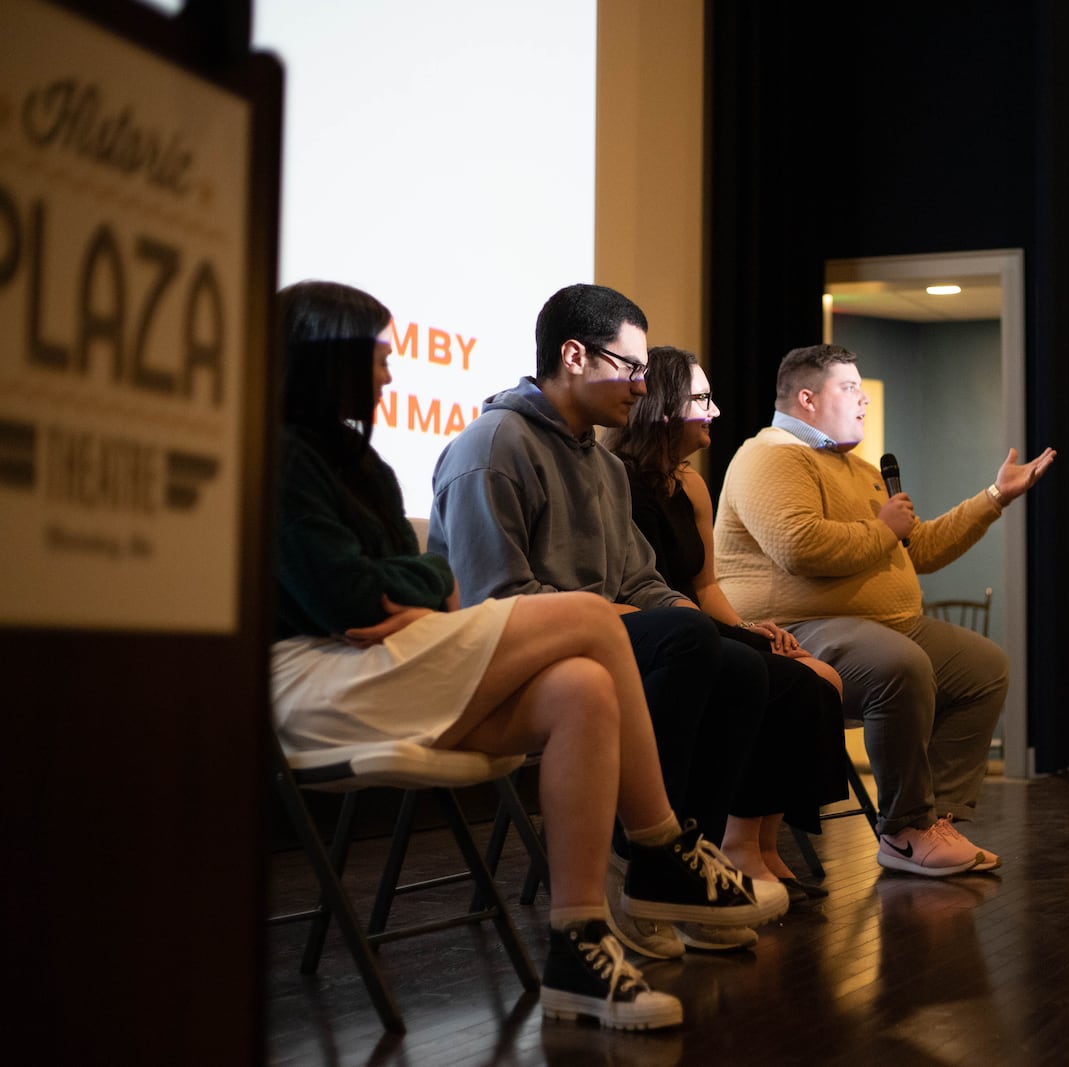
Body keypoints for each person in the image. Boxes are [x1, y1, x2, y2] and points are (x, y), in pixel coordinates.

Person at [270, 280, 769, 1032]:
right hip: (317, 676)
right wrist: (399, 589)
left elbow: (429, 576)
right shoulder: (279, 457)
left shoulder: (363, 465)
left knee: (582, 689)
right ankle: (661, 844)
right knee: (596, 625)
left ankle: (579, 941)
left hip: (391, 656)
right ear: (323, 360)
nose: (389, 375)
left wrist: (401, 587)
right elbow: (350, 596)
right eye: (375, 357)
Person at [429, 283, 786, 956]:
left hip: (593, 642)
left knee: (741, 664)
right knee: (686, 639)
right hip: (508, 656)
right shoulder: (492, 445)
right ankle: (635, 856)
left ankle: (681, 862)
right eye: (630, 366)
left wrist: (691, 616)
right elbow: (492, 599)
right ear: (573, 356)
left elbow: (640, 580)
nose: (641, 385)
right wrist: (661, 623)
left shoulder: (602, 466)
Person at [714, 344, 1057, 877]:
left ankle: (932, 823)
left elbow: (916, 548)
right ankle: (903, 830)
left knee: (983, 668)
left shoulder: (859, 468)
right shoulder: (771, 455)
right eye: (849, 389)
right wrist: (882, 529)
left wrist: (994, 497)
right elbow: (798, 547)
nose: (863, 402)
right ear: (806, 398)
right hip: (795, 633)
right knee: (899, 664)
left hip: (885, 626)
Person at [604, 345, 848, 901]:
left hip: (691, 620)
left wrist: (750, 626)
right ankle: (734, 841)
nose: (714, 412)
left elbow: (706, 586)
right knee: (782, 681)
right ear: (666, 407)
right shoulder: (612, 479)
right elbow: (632, 590)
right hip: (655, 633)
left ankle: (761, 842)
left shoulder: (689, 484)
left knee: (816, 676)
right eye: (702, 400)